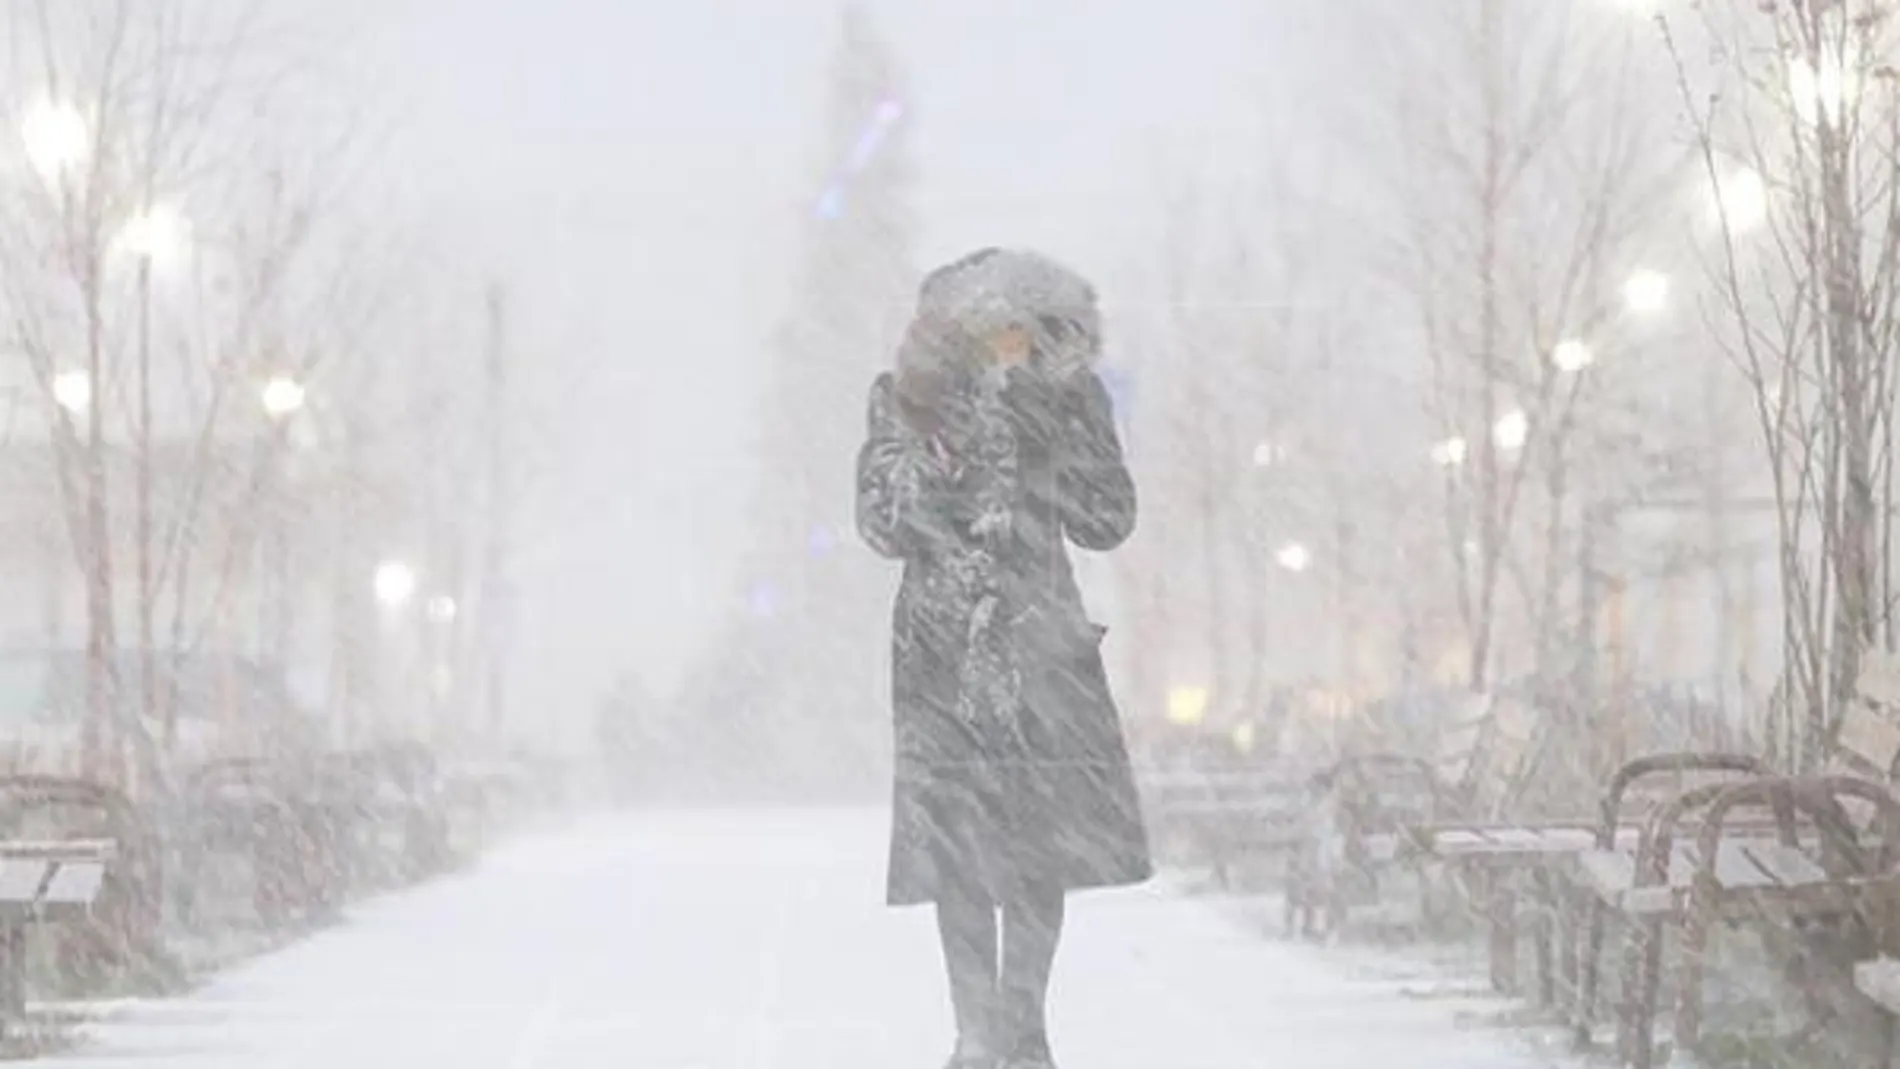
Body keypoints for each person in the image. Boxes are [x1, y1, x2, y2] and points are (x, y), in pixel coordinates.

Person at [855, 247, 1151, 1068]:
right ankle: (975, 1033)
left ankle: (1024, 1028)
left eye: (1021, 330)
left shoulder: (1070, 398)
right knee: (956, 852)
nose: (1006, 344)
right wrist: (940, 468)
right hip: (943, 651)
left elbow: (1108, 518)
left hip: (1041, 648)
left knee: (1035, 849)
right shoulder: (908, 400)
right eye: (991, 330)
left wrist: (1049, 429)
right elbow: (881, 523)